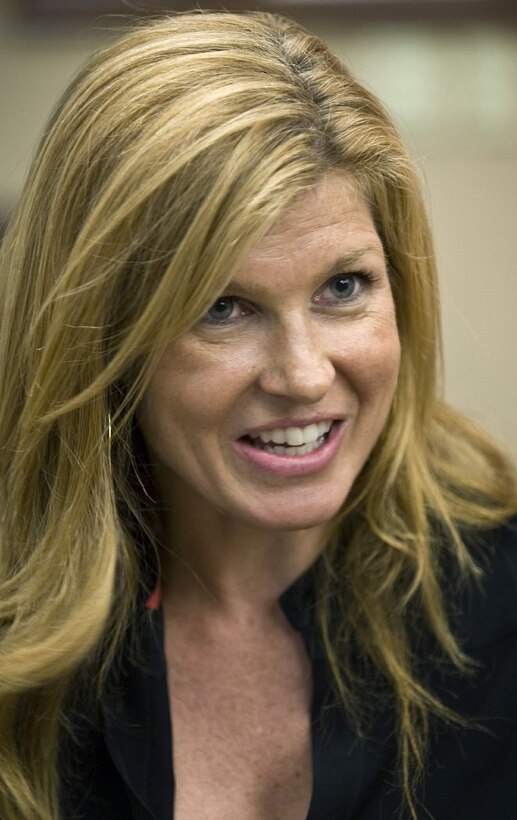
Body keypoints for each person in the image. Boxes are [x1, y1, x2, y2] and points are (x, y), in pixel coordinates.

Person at [0, 10, 516, 820]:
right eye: (222, 307)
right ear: (96, 337)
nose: (305, 376)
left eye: (342, 287)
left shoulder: (501, 601)